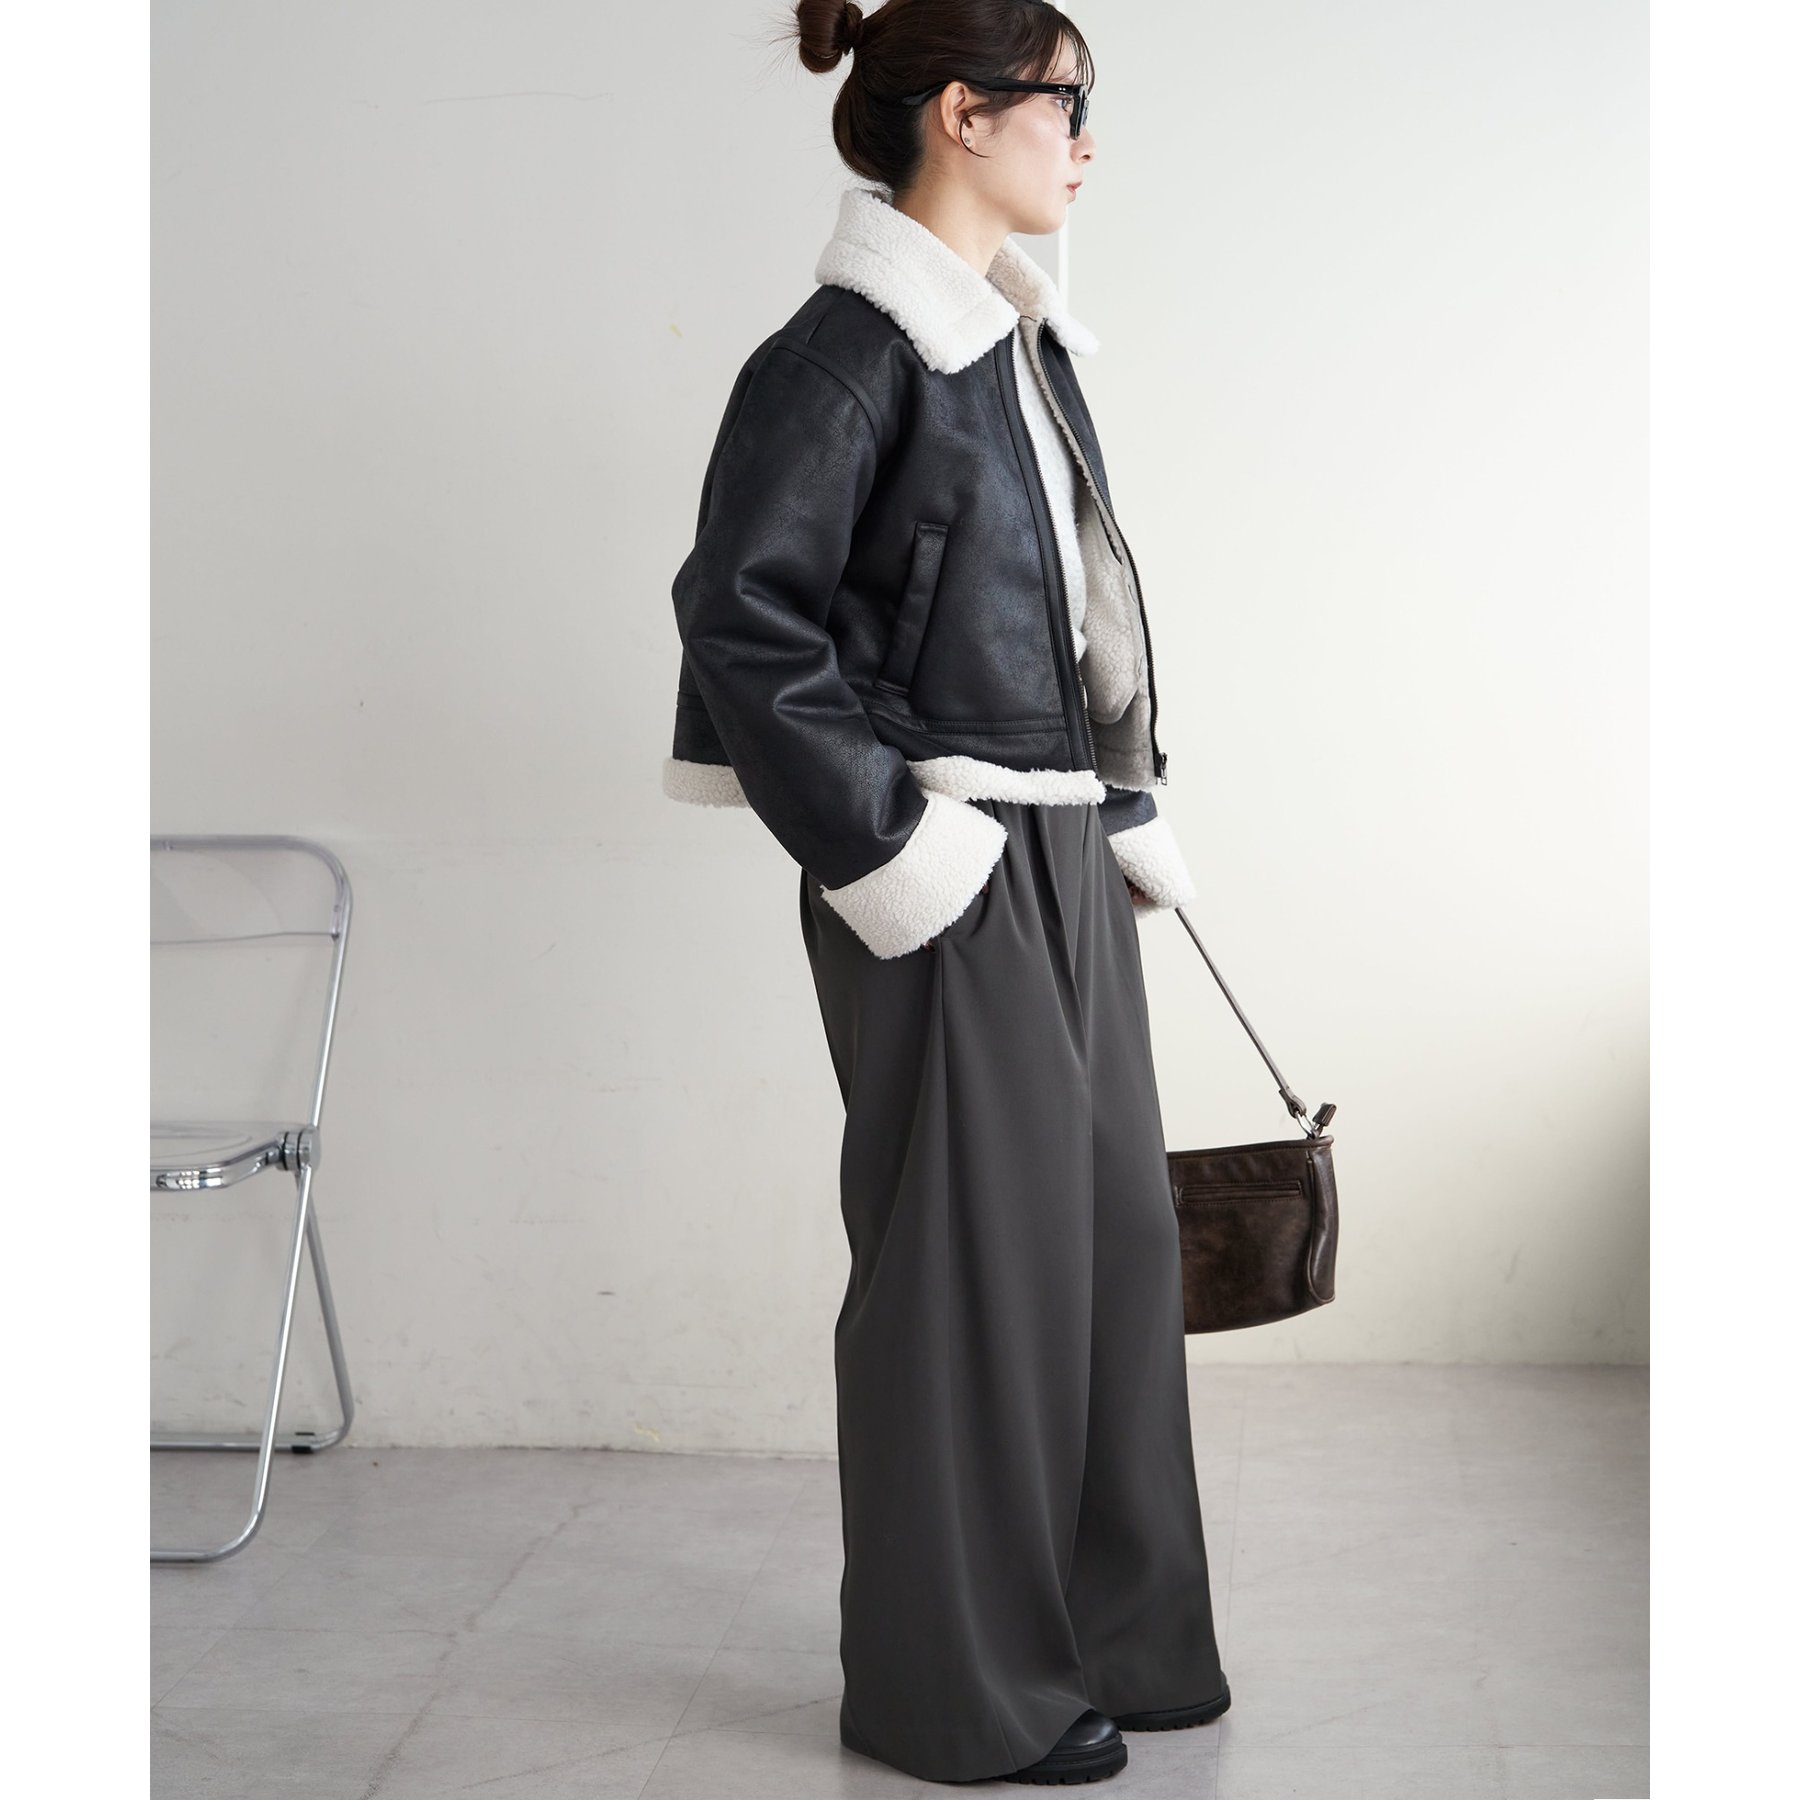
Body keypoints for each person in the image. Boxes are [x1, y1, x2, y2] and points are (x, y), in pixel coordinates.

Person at [660, 0, 1228, 1783]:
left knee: (1108, 1257)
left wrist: (1122, 803)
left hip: (1063, 843)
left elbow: (1078, 616)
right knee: (968, 1281)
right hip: (946, 855)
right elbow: (740, 620)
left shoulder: (1017, 344)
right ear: (966, 115)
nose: (1088, 140)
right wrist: (901, 849)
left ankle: (1118, 1638)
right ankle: (956, 1695)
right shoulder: (845, 356)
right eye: (1068, 102)